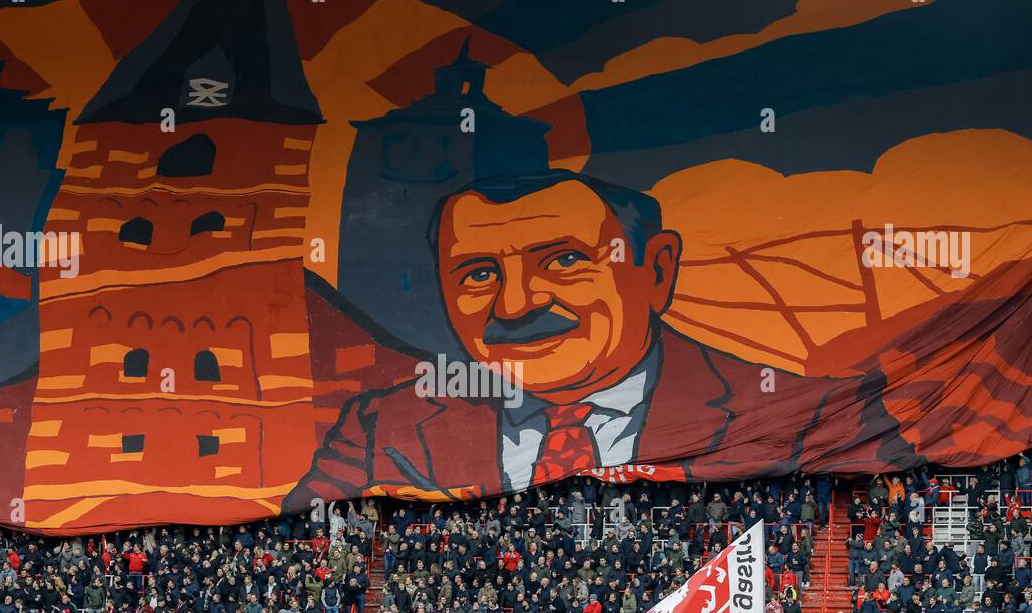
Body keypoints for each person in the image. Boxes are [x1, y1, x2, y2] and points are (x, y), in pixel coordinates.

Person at [288, 170, 914, 509]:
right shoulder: (379, 431)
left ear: (657, 271)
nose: (515, 303)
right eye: (478, 274)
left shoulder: (805, 408)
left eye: (561, 261)